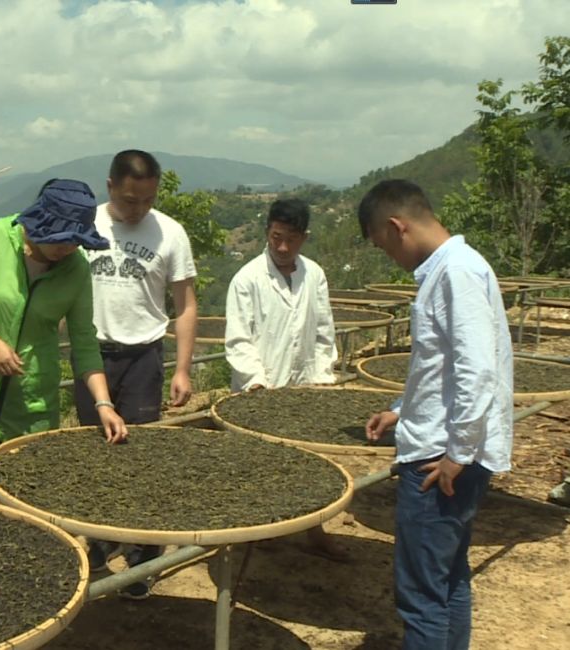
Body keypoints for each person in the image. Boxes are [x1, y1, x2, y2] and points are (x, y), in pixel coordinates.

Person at [360, 179, 513, 650]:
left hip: (439, 461)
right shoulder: (456, 268)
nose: (391, 257)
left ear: (397, 226)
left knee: (421, 594)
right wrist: (400, 411)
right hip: (448, 449)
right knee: (448, 578)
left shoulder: (455, 273)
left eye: (384, 246)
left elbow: (476, 369)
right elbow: (441, 364)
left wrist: (457, 453)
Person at [0, 178, 128, 500]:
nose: (67, 248)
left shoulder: (76, 269)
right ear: (39, 223)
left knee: (24, 491)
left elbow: (83, 339)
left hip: (31, 400)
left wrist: (104, 404)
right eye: (61, 239)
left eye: (75, 241)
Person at [75, 150, 198, 599]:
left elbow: (185, 304)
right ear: (110, 187)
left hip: (144, 356)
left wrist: (182, 368)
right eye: (129, 200)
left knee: (142, 456)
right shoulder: (85, 226)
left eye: (147, 200)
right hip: (92, 355)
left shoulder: (170, 232)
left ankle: (144, 554)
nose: (138, 209)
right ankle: (99, 539)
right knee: (93, 452)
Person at [224, 197, 345, 561]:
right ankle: (257, 532)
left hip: (304, 385)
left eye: (291, 239)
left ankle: (312, 529)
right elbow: (239, 340)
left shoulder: (314, 275)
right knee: (257, 462)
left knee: (308, 461)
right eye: (276, 237)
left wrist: (321, 378)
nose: (282, 247)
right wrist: (257, 382)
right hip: (259, 389)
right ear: (267, 232)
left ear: (304, 237)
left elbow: (323, 332)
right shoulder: (247, 279)